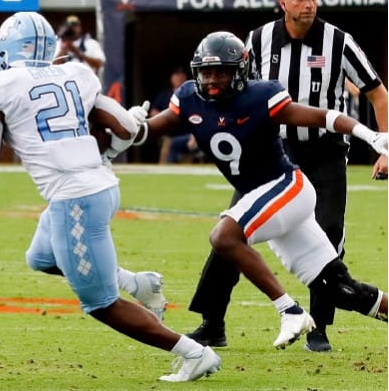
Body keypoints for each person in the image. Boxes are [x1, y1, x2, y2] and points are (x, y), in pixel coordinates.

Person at [0, 11, 221, 383]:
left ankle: (194, 353)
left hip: (74, 200)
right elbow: (129, 129)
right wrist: (103, 148)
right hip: (101, 185)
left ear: (5, 49)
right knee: (41, 257)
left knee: (101, 303)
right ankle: (138, 283)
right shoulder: (76, 72)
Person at [135, 31, 388, 350]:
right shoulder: (188, 99)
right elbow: (148, 131)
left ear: (239, 72)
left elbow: (322, 116)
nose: (212, 80)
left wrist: (369, 134)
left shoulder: (260, 96)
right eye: (207, 71)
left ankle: (290, 310)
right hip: (262, 196)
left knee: (224, 236)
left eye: (222, 72)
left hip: (287, 188)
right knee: (341, 289)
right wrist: (130, 125)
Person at [186, 0, 388, 353]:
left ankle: (319, 327)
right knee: (231, 233)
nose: (308, 3)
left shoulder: (338, 41)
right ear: (283, 2)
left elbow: (378, 92)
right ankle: (212, 322)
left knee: (328, 233)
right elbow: (239, 90)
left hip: (326, 152)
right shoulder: (258, 40)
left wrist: (383, 148)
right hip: (271, 155)